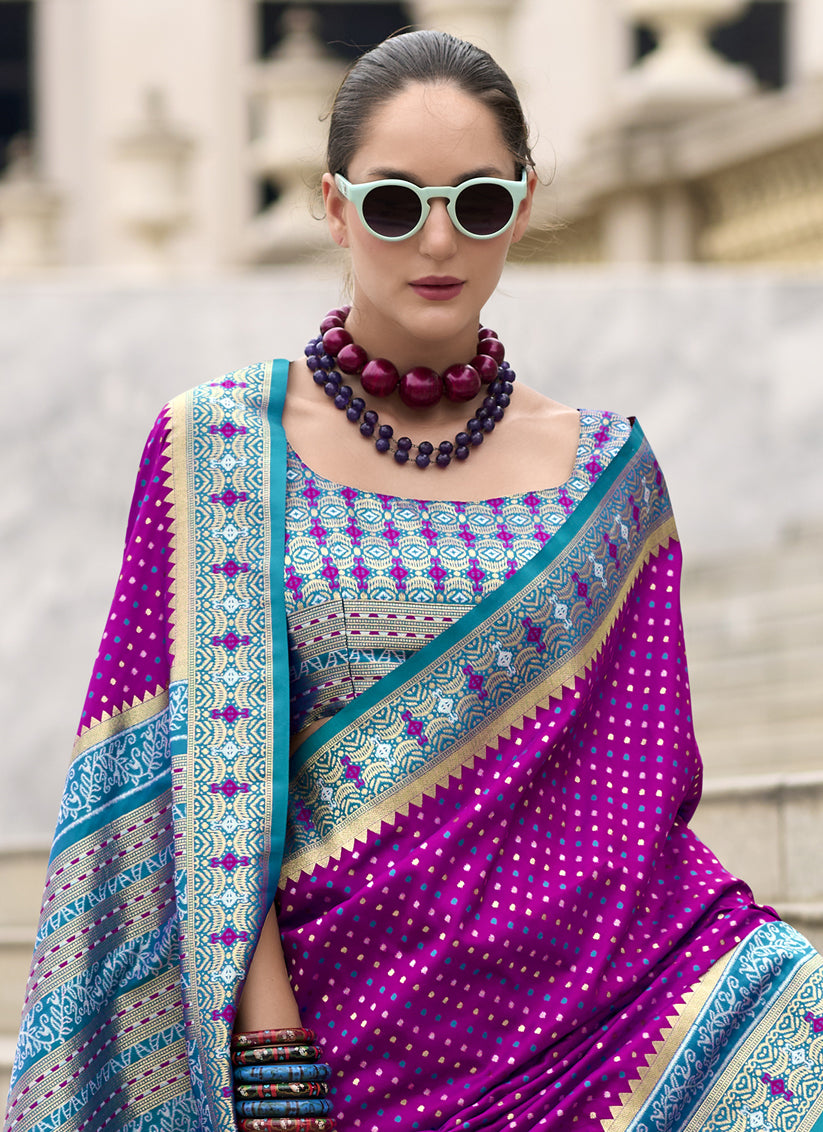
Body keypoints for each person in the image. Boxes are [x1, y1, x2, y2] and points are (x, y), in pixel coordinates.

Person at [5, 28, 823, 1132]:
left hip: (597, 1009)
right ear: (334, 207)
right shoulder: (219, 452)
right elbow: (196, 792)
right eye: (395, 204)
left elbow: (642, 802)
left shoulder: (608, 476)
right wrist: (272, 1042)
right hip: (338, 1032)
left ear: (523, 207)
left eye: (477, 204)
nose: (437, 240)